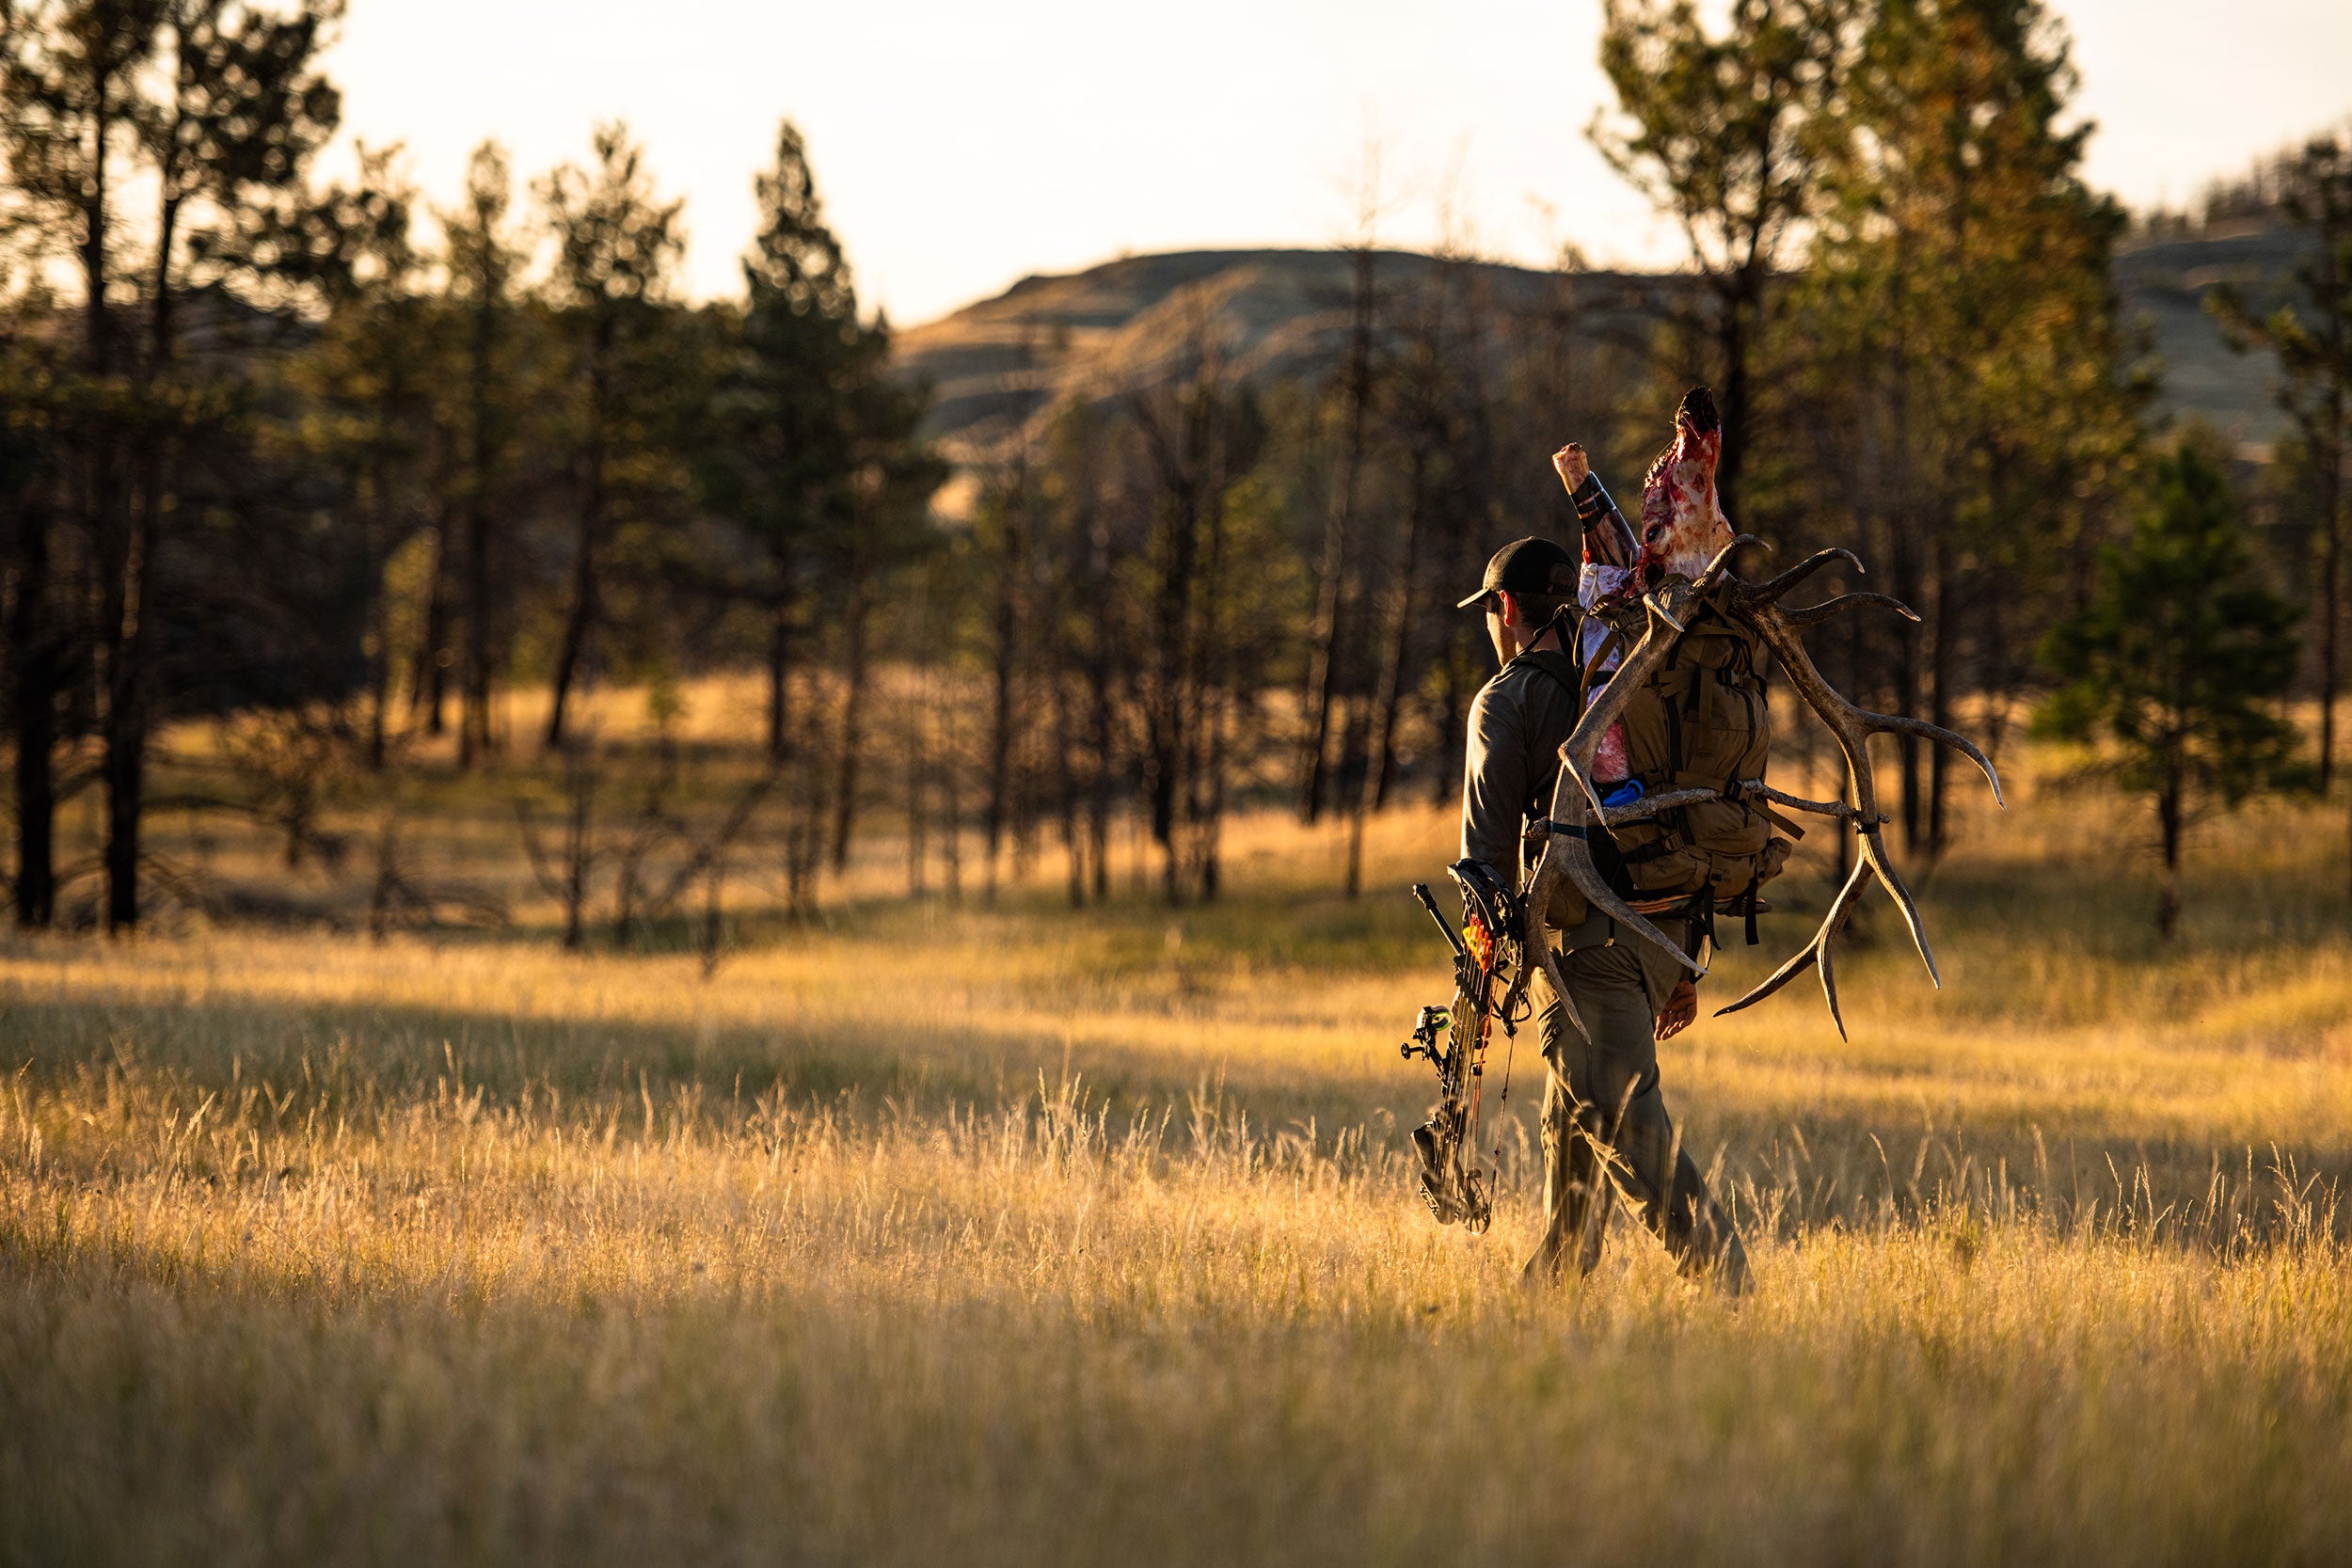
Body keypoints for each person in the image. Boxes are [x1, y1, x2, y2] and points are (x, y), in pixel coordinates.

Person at [1451, 531, 1750, 1291]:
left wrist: (1477, 993)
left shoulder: (1508, 698)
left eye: (1491, 612)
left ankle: (1737, 1295)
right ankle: (1546, 1309)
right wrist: (1681, 963)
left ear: (1506, 608)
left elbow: (1482, 868)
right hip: (1660, 941)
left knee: (1627, 1128)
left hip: (1591, 954)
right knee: (1573, 1150)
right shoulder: (1634, 674)